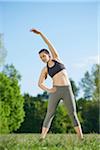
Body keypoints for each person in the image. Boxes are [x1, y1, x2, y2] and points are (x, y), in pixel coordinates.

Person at [30, 28, 83, 140]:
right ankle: (42, 138)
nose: (42, 59)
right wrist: (49, 90)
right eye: (40, 58)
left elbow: (49, 44)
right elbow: (39, 83)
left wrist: (41, 34)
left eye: (44, 56)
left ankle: (81, 138)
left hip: (67, 90)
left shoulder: (57, 59)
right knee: (49, 114)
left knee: (73, 114)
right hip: (56, 91)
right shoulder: (45, 69)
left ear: (49, 55)